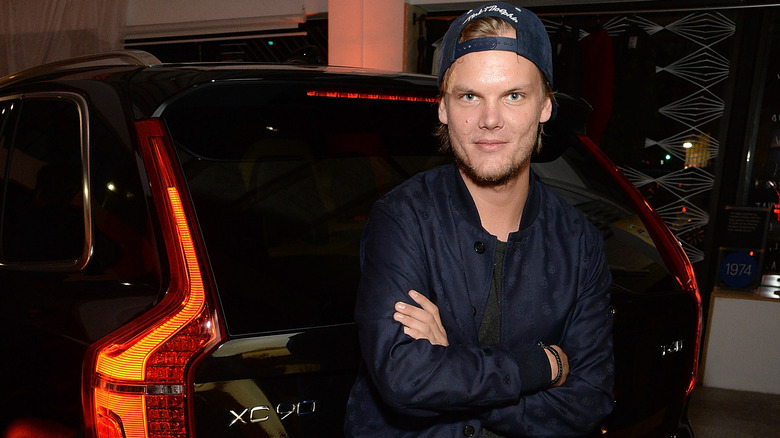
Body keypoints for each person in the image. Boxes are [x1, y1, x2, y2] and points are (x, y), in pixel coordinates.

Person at [344, 3, 614, 437]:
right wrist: (544, 365)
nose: (490, 120)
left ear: (545, 106)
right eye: (469, 96)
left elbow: (590, 399)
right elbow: (406, 379)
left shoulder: (579, 243)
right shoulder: (403, 219)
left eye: (514, 95)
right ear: (443, 109)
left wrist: (452, 366)